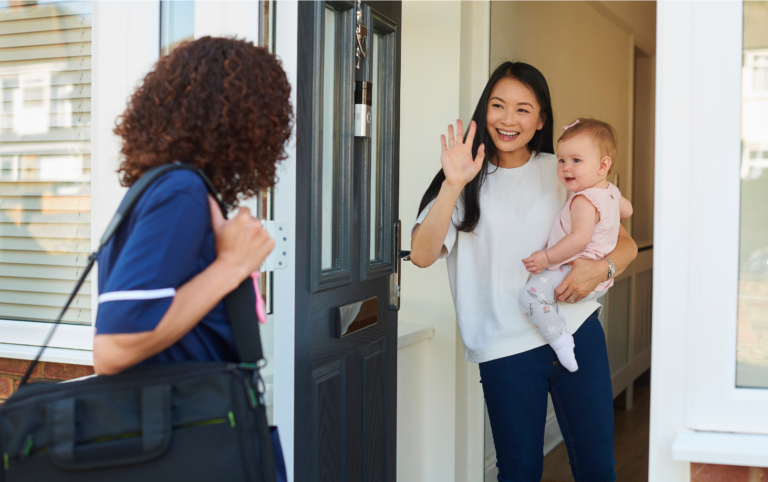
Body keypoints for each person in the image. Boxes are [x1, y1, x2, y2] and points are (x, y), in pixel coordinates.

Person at [410, 62, 637, 481]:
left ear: (541, 118)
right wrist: (453, 183)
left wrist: (599, 268)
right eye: (498, 106)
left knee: (597, 467)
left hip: (577, 329)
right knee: (518, 472)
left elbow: (625, 245)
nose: (508, 120)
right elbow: (422, 255)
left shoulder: (566, 168)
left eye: (522, 109)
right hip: (504, 347)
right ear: (485, 110)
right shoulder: (466, 180)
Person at [92, 37, 293, 376]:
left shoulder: (175, 188)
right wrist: (231, 265)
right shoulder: (181, 192)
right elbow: (113, 349)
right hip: (182, 421)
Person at [519, 118, 633, 372]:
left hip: (572, 270)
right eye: (561, 160)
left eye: (576, 160)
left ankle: (560, 341)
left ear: (603, 165)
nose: (566, 168)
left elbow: (579, 239)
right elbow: (628, 209)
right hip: (598, 277)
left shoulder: (583, 200)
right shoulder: (611, 193)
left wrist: (547, 258)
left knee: (529, 297)